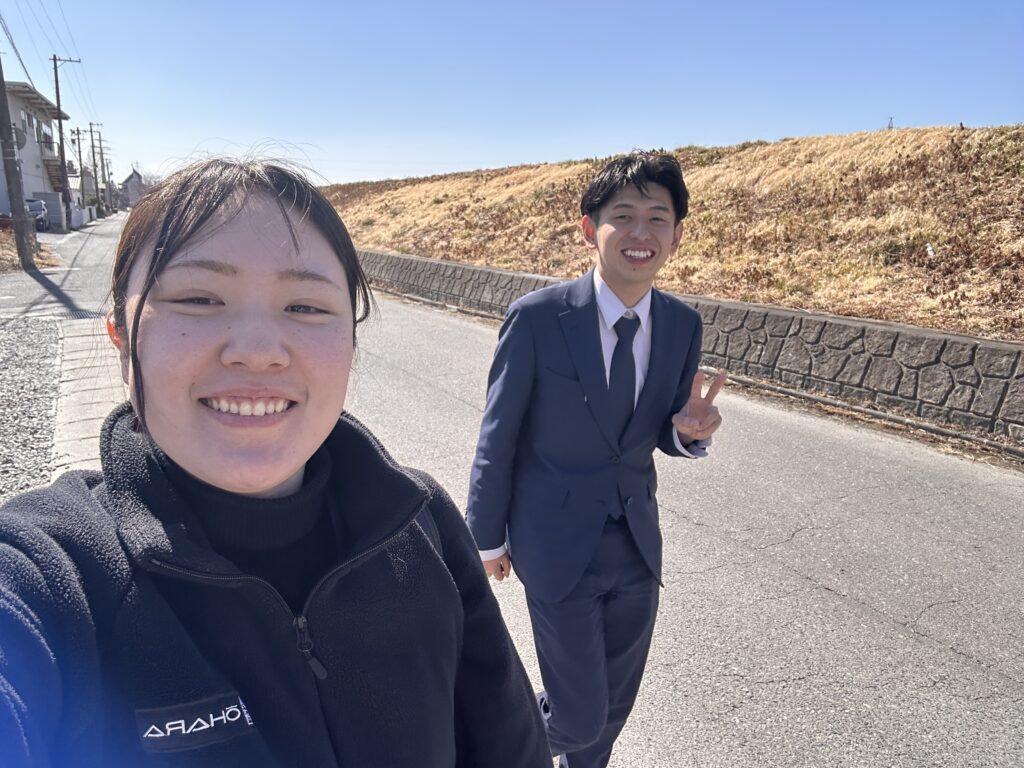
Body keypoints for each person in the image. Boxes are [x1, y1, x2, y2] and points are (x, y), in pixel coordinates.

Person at [0, 158, 550, 767]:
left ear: (351, 343)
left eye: (306, 307)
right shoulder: (51, 573)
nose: (259, 351)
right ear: (121, 340)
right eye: (199, 298)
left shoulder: (421, 523)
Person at [466, 150, 726, 768]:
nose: (641, 233)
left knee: (611, 710)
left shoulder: (682, 325)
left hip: (635, 543)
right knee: (578, 716)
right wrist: (485, 537)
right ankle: (481, 739)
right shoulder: (537, 319)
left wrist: (687, 433)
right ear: (590, 229)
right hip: (555, 544)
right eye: (623, 215)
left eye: (658, 218)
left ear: (676, 235)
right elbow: (498, 435)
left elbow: (657, 431)